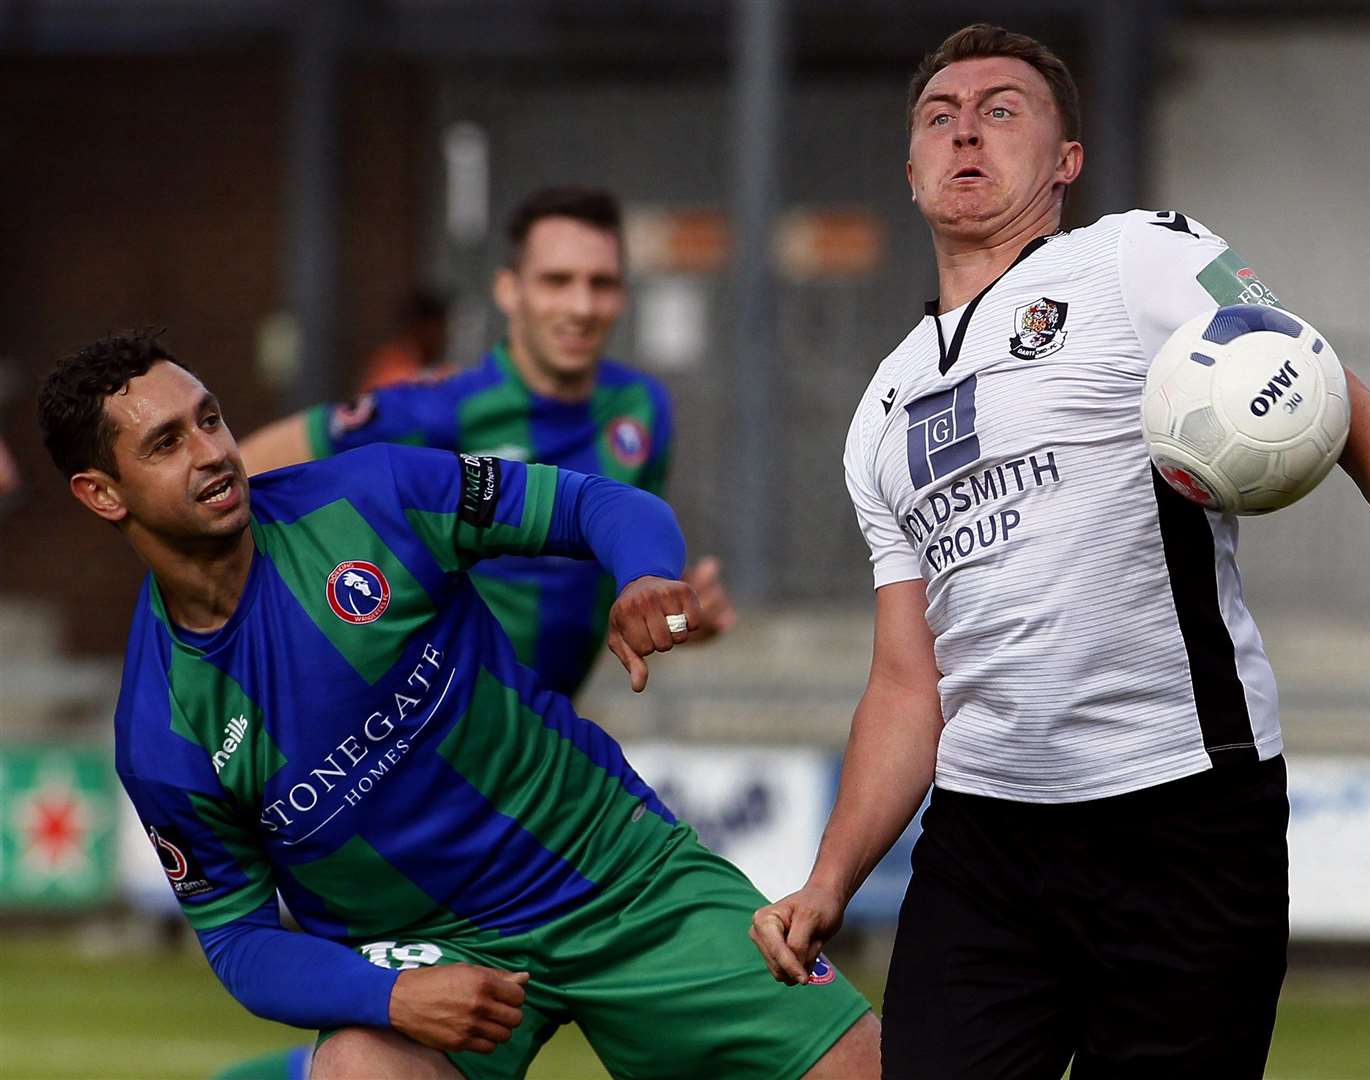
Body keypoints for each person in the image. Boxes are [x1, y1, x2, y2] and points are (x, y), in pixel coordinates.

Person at [749, 23, 1370, 1080]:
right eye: (939, 116)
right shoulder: (880, 407)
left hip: (1182, 814)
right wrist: (829, 881)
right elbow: (908, 681)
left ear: (1067, 162)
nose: (966, 131)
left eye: (1004, 110)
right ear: (910, 167)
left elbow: (1338, 403)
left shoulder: (1134, 256)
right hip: (983, 840)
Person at [39, 332, 878, 1080]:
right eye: (165, 443)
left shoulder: (374, 495)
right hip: (439, 950)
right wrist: (390, 995)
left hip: (614, 866)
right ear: (102, 493)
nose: (212, 451)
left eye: (211, 418)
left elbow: (600, 502)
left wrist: (645, 576)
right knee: (356, 1068)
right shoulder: (160, 734)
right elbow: (238, 941)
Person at [241, 187, 735, 699]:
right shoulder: (436, 409)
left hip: (545, 734)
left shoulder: (642, 407)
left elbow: (622, 578)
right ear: (508, 289)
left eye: (601, 283)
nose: (582, 305)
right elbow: (247, 469)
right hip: (424, 736)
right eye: (557, 281)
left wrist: (675, 619)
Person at [356, 288, 452, 393]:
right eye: (436, 329)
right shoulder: (391, 371)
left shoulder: (444, 371)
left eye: (443, 329)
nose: (442, 336)